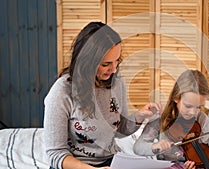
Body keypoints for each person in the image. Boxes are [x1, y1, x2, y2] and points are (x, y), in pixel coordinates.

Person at [43, 22, 161, 169]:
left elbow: (119, 129)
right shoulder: (62, 91)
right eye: (106, 64)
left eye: (117, 61)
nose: (113, 69)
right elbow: (55, 153)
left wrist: (140, 116)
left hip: (111, 162)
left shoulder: (117, 82)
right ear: (87, 62)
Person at [133, 69, 209, 169]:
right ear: (176, 98)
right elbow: (138, 147)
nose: (193, 112)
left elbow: (203, 153)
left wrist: (196, 165)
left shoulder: (202, 119)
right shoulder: (160, 118)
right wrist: (155, 146)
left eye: (199, 107)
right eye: (188, 106)